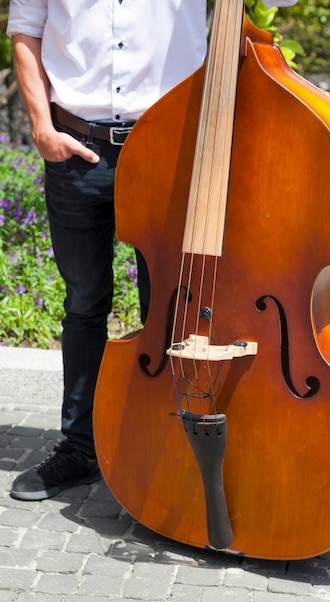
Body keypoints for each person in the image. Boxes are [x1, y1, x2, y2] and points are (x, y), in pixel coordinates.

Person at [7, 0, 297, 501]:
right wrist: (40, 126)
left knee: (169, 305)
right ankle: (79, 449)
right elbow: (25, 31)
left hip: (168, 146)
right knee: (83, 303)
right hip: (76, 147)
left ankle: (166, 446)